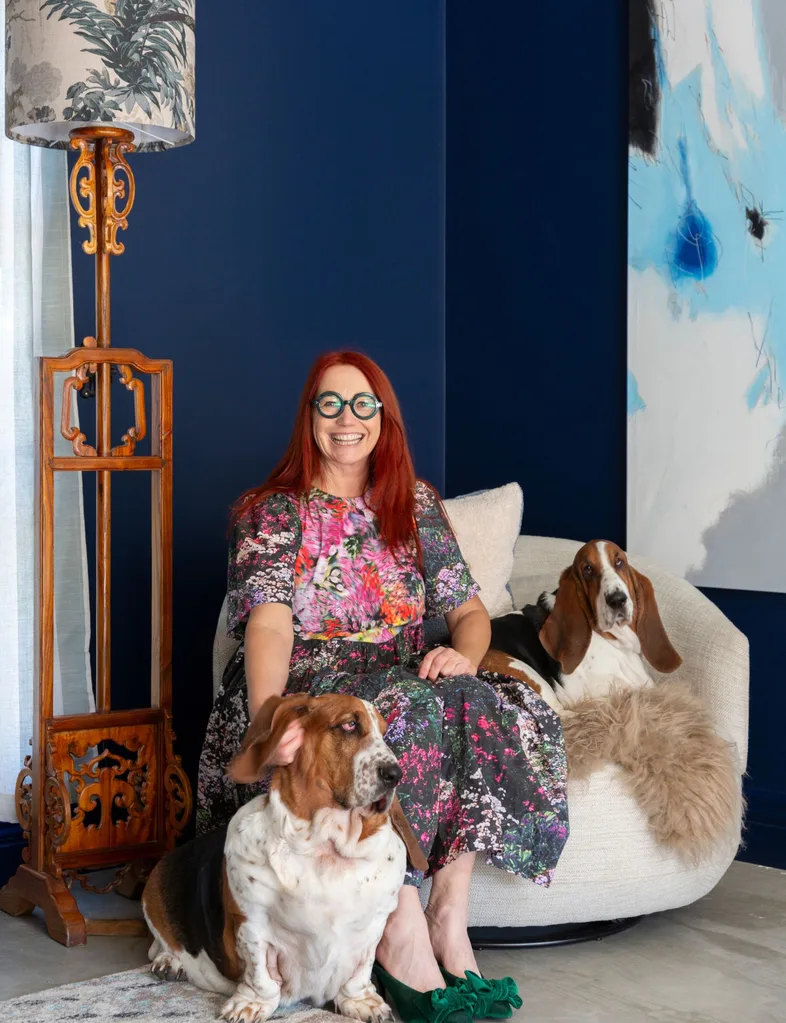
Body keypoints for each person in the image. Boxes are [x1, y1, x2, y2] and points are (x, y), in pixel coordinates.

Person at [197, 351, 568, 1022]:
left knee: (486, 698)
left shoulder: (416, 504)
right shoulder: (273, 511)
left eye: (362, 403)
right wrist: (270, 722)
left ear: (383, 417)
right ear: (309, 418)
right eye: (330, 404)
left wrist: (463, 652)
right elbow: (271, 628)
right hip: (316, 687)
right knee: (404, 711)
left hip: (399, 672)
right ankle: (395, 922)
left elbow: (471, 616)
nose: (347, 418)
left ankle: (447, 916)